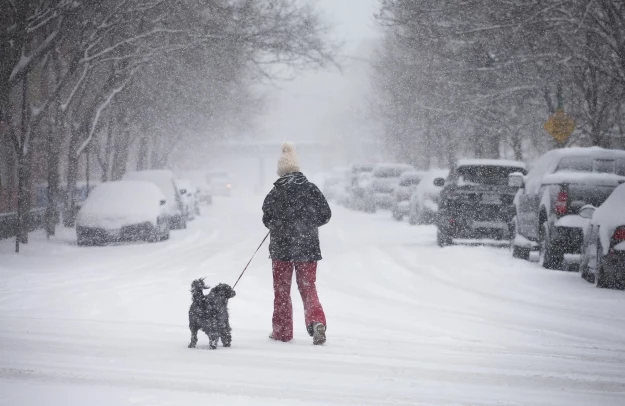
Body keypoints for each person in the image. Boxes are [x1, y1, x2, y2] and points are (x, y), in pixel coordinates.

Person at [262, 143, 332, 345]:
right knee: (308, 288)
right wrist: (307, 224)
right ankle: (317, 322)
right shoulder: (311, 189)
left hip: (281, 249)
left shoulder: (275, 193)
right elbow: (325, 215)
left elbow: (267, 219)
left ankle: (282, 332)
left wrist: (280, 224)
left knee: (282, 292)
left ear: (281, 171)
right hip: (307, 248)